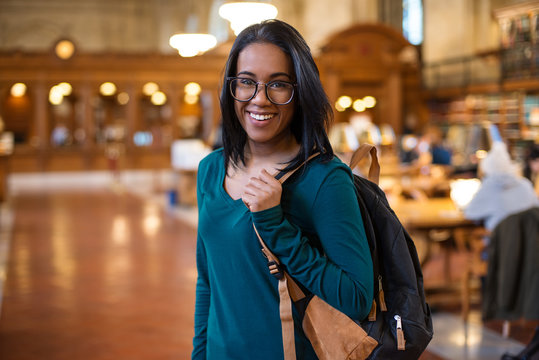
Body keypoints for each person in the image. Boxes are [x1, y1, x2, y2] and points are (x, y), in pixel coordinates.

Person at [192, 20, 373, 359]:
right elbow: (208, 283)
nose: (259, 99)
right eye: (246, 82)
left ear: (300, 91)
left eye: (278, 85)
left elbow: (356, 298)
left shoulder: (324, 179)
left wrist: (278, 227)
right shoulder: (210, 169)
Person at [464, 141, 539, 233]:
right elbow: (536, 209)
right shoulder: (525, 184)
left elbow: (470, 214)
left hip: (500, 242)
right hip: (529, 241)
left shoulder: (490, 185)